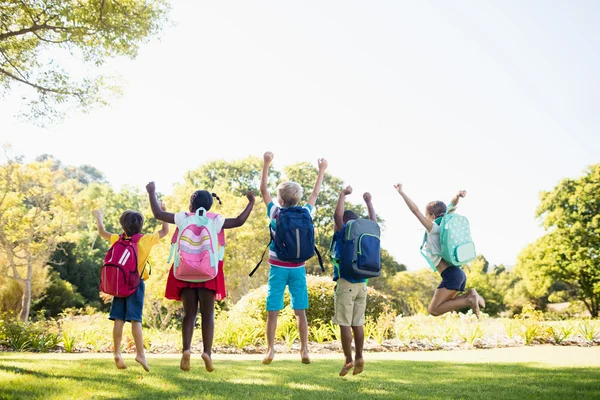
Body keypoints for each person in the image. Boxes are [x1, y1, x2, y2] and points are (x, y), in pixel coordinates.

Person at [146, 181, 255, 372]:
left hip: (185, 271)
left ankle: (186, 349)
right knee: (208, 315)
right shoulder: (215, 219)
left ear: (191, 204)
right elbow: (239, 221)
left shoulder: (183, 217)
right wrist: (251, 202)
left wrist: (152, 192)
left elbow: (158, 215)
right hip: (208, 272)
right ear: (210, 205)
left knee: (189, 314)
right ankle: (207, 352)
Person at [259, 151, 328, 365]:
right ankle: (304, 350)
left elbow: (263, 190)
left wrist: (266, 164)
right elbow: (315, 194)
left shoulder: (275, 213)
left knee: (273, 310)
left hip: (278, 268)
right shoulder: (306, 212)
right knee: (300, 311)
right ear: (297, 199)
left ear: (280, 199)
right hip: (298, 268)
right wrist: (321, 171)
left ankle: (271, 350)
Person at [93, 206, 169, 371]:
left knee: (118, 318)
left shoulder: (117, 239)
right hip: (135, 284)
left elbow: (102, 232)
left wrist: (99, 217)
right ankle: (140, 354)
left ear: (122, 225)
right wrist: (163, 211)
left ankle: (117, 352)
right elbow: (165, 230)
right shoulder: (146, 239)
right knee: (136, 319)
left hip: (118, 285)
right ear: (140, 225)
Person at [394, 184, 485, 317]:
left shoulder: (433, 228)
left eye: (426, 215)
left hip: (451, 275)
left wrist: (401, 192)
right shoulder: (445, 224)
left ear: (430, 215)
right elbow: (451, 204)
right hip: (457, 274)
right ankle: (470, 295)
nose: (425, 217)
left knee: (434, 310)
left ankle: (469, 299)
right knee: (445, 303)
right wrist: (457, 195)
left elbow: (415, 210)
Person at [331, 186, 376, 376]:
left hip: (346, 282)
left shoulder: (344, 232)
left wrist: (342, 194)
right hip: (363, 284)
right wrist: (368, 202)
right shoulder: (363, 234)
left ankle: (348, 359)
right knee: (358, 322)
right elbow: (373, 221)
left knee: (344, 323)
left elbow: (337, 217)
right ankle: (359, 356)